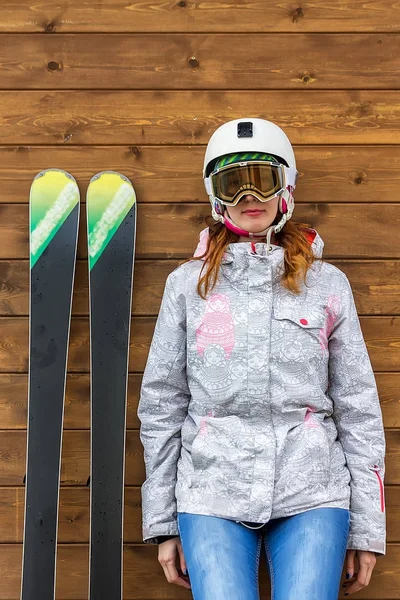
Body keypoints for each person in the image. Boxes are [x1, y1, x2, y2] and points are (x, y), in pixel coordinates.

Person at [137, 118, 386, 599]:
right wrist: (165, 521)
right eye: (233, 183)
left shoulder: (327, 284)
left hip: (312, 487)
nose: (248, 195)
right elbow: (162, 404)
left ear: (286, 187)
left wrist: (365, 530)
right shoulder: (187, 286)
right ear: (215, 195)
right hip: (210, 487)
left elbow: (358, 406)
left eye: (262, 179)